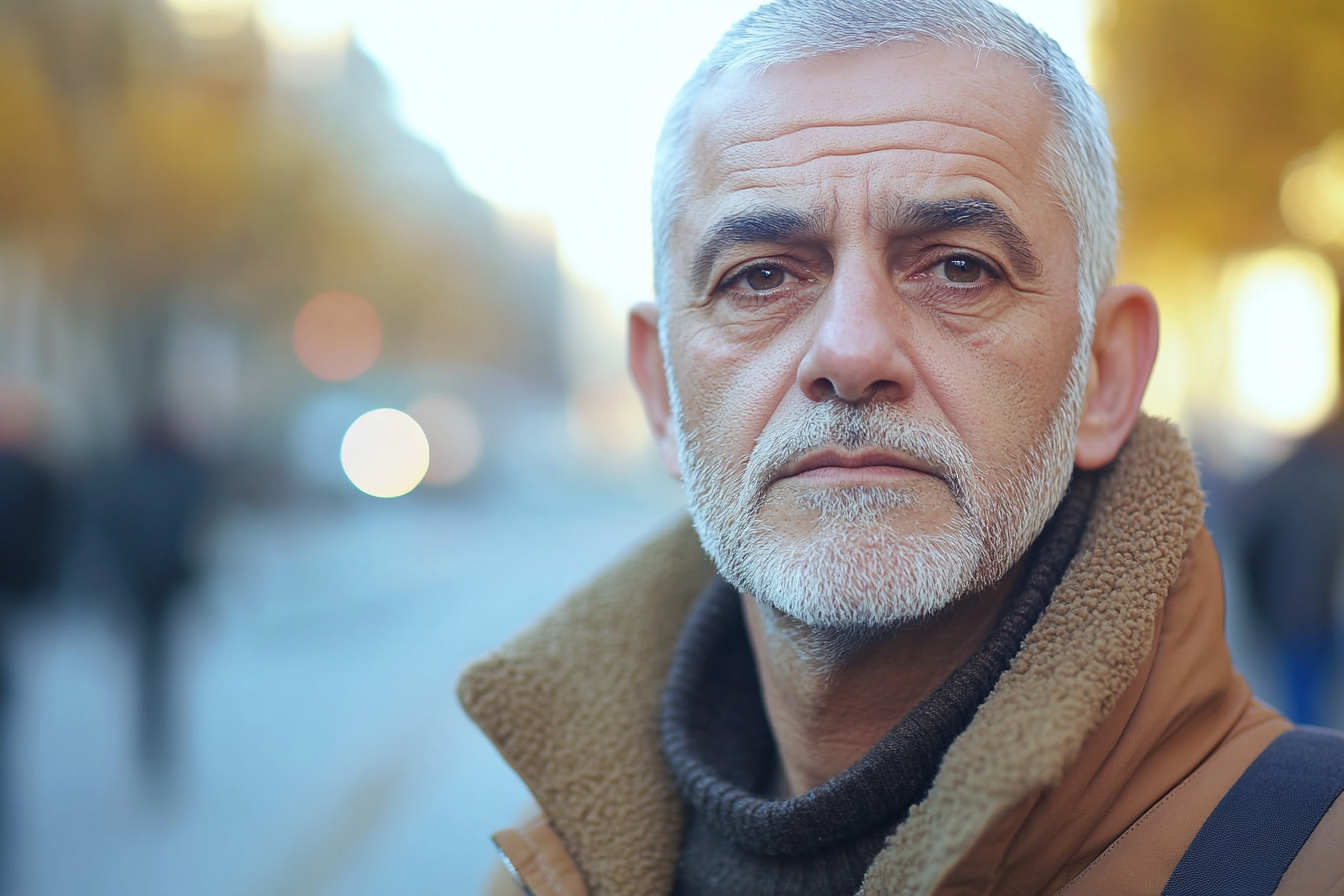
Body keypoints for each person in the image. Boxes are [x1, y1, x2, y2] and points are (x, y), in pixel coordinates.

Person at [459, 1, 1344, 892]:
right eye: (760, 276)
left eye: (959, 266)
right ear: (660, 395)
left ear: (1105, 376)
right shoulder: (543, 876)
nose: (850, 353)